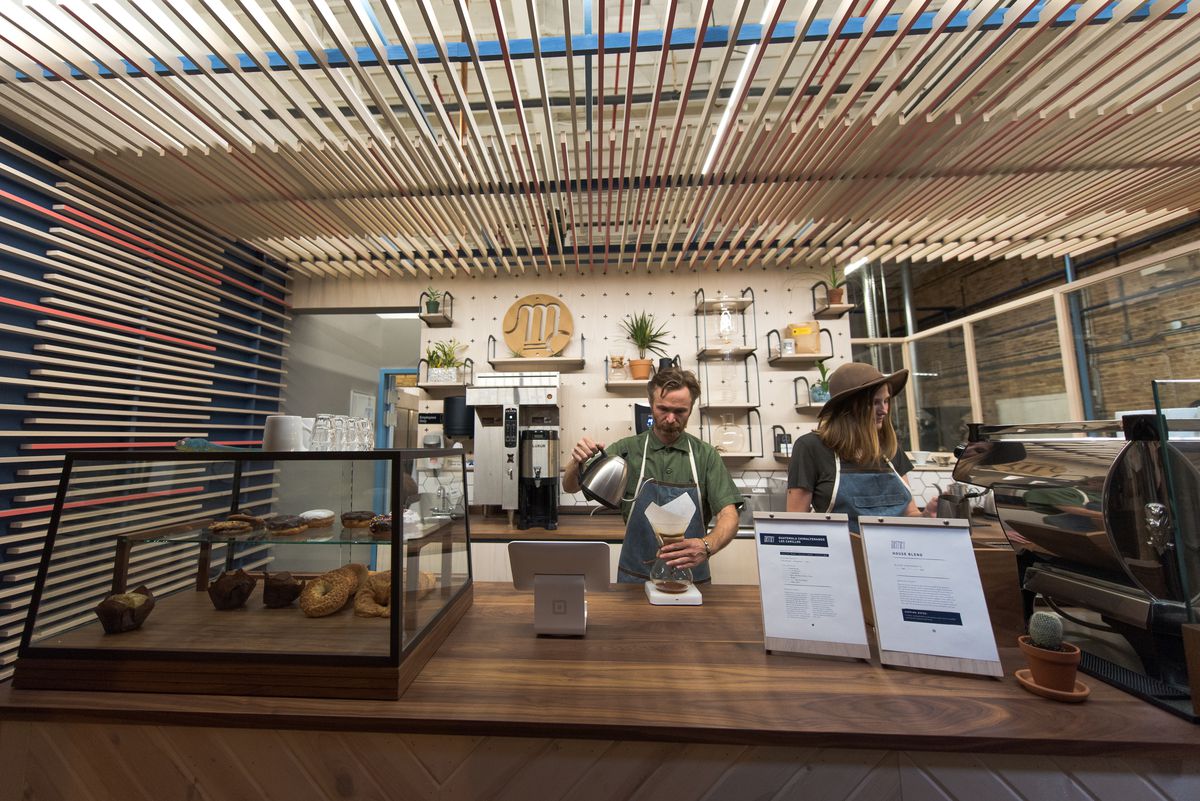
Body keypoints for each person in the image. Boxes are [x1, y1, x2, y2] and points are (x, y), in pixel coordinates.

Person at [562, 367, 743, 584]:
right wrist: (577, 461)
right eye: (662, 409)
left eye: (680, 412)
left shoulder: (706, 455)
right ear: (650, 404)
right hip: (634, 581)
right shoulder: (626, 450)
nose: (669, 418)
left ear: (691, 408)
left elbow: (729, 516)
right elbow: (570, 487)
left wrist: (706, 546)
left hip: (691, 581)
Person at [786, 362, 922, 530]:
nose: (884, 410)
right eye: (875, 402)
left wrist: (928, 516)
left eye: (886, 401)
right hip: (841, 553)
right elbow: (796, 522)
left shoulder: (889, 447)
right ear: (849, 407)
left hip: (894, 551)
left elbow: (910, 513)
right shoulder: (811, 447)